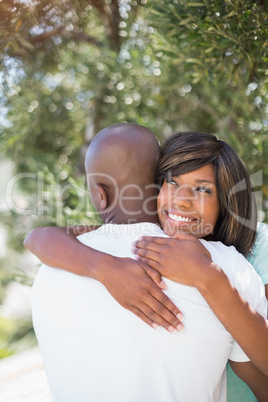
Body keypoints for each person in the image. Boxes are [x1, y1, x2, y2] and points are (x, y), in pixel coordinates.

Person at [27, 125, 268, 401]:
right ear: (155, 187)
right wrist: (105, 267)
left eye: (202, 190)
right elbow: (40, 237)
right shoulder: (227, 264)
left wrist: (208, 275)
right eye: (172, 182)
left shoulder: (244, 254)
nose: (182, 200)